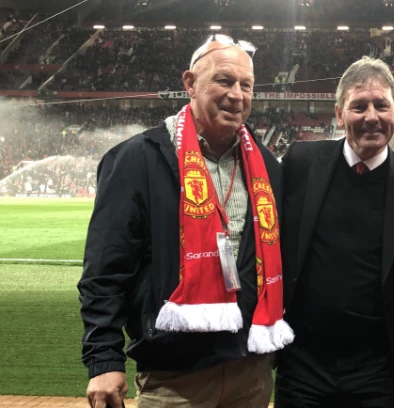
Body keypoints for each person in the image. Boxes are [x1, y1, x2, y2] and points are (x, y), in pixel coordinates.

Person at [78, 34, 293, 408]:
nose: (236, 94)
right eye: (223, 81)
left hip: (252, 370)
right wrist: (103, 359)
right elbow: (105, 270)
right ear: (190, 84)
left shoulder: (266, 165)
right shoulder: (137, 159)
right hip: (174, 377)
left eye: (246, 85)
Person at [274, 56, 394, 408]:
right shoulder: (300, 163)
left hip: (379, 369)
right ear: (339, 113)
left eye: (381, 105)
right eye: (358, 106)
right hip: (303, 363)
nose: (371, 117)